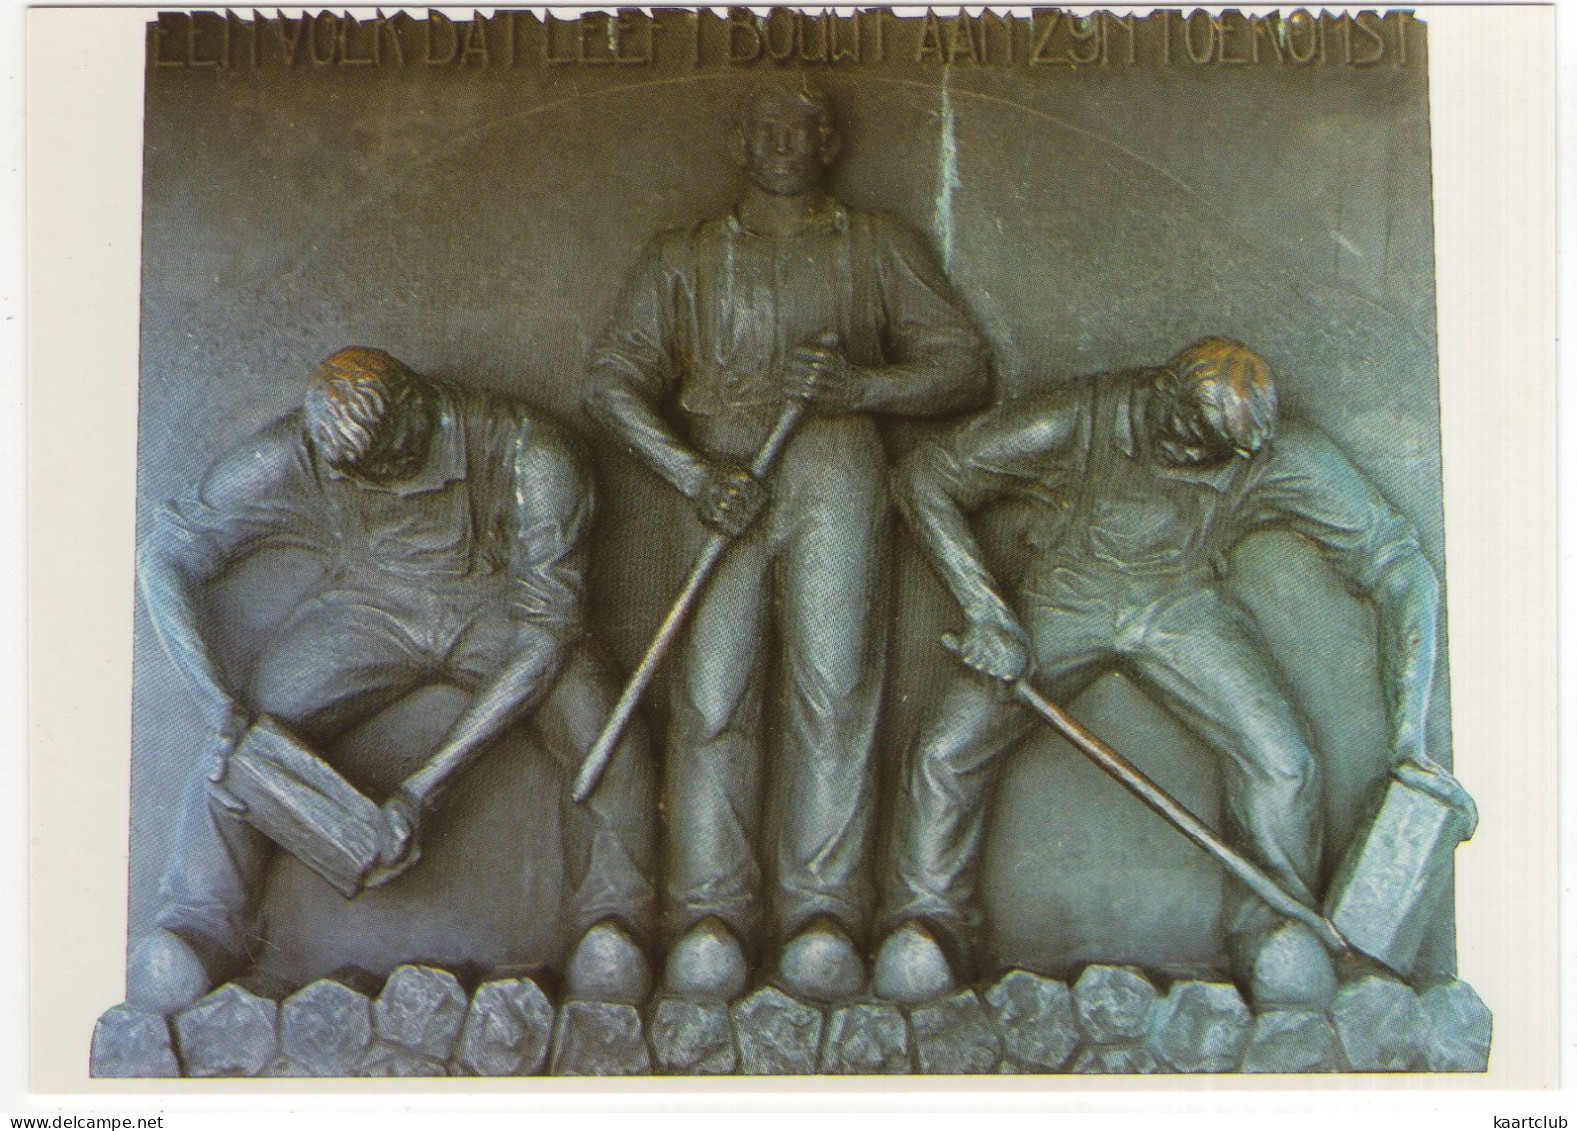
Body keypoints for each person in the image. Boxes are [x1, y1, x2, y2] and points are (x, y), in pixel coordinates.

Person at [871, 336, 1475, 1009]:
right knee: (944, 750)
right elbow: (924, 476)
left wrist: (1409, 737)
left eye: (1212, 451)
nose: (1191, 454)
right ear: (1160, 386)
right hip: (1063, 597)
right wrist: (985, 611)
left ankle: (1273, 926)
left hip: (1179, 606)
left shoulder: (1270, 452)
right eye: (1186, 429)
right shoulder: (1073, 417)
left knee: (1284, 761)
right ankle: (926, 920)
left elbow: (1397, 563)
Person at [586, 83, 989, 1000]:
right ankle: (709, 912)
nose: (780, 142)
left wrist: (865, 387)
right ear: (738, 138)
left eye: (799, 128)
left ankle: (824, 911)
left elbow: (964, 364)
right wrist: (691, 476)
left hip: (837, 467)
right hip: (721, 475)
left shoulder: (875, 245)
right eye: (763, 125)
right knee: (714, 693)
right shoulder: (683, 256)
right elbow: (611, 381)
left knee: (836, 686)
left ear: (829, 140)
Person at [131, 346, 657, 1012]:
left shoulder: (535, 453)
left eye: (389, 462)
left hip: (502, 613)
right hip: (367, 609)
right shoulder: (301, 450)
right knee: (238, 747)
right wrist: (217, 703)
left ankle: (616, 920)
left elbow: (546, 637)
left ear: (417, 404)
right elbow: (165, 552)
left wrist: (425, 786)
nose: (375, 480)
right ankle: (201, 925)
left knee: (603, 728)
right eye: (356, 471)